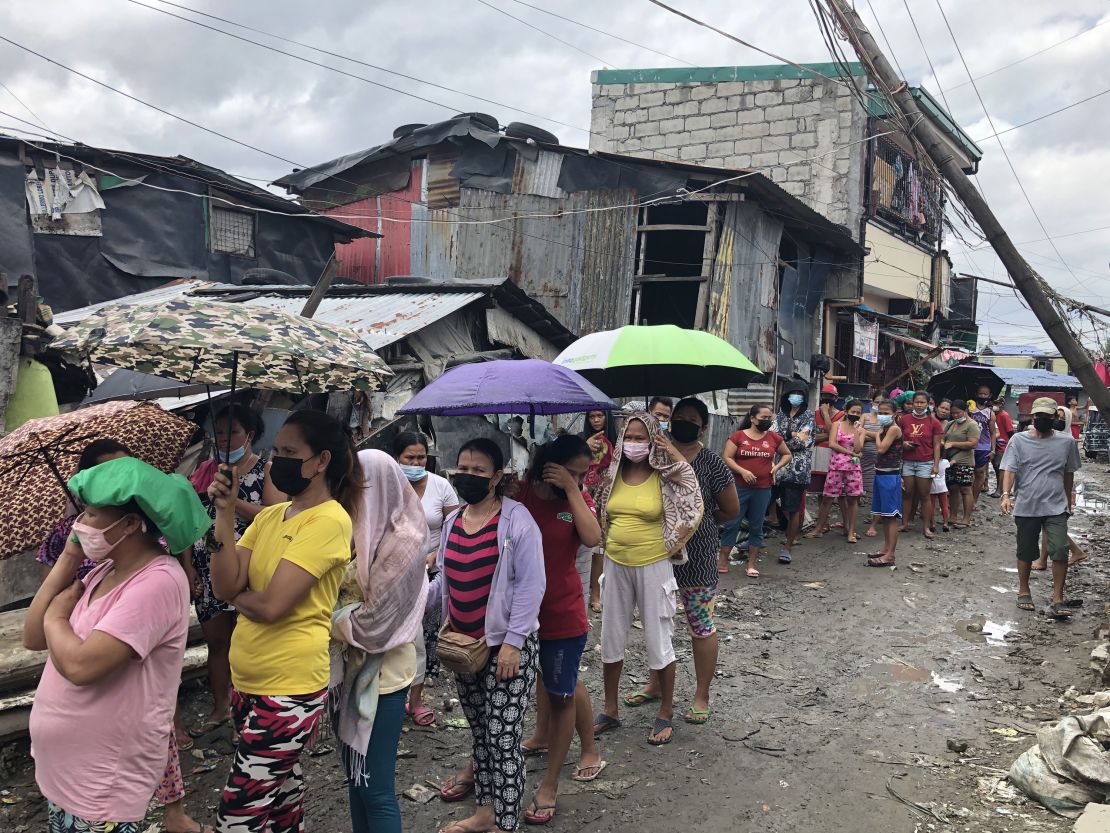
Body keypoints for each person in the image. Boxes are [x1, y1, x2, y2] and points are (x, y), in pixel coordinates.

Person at [25, 457, 210, 833]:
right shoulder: (104, 571)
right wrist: (69, 555)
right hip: (68, 775)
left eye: (91, 514)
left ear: (128, 525)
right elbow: (32, 638)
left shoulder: (156, 582)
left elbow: (80, 666)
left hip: (100, 784)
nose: (79, 524)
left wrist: (55, 619)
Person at [208, 410, 363, 832]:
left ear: (322, 461)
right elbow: (224, 585)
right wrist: (223, 512)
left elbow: (274, 605)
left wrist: (241, 595)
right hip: (248, 681)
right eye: (277, 452)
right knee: (280, 804)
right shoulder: (269, 517)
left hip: (288, 690)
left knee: (237, 817)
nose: (278, 462)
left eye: (290, 452)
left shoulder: (330, 520)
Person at [429, 438, 544, 833]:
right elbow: (444, 582)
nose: (468, 475)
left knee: (502, 737)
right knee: (480, 735)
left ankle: (506, 823)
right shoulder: (452, 521)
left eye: (478, 470)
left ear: (497, 477)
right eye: (463, 467)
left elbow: (532, 586)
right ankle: (484, 813)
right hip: (466, 648)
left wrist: (513, 642)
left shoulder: (516, 520)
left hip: (509, 648)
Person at [330, 450, 430, 833]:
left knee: (376, 789)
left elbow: (376, 624)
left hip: (383, 676)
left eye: (355, 483)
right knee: (356, 783)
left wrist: (325, 618)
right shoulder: (355, 528)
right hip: (348, 672)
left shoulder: (405, 540)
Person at [592, 413, 702, 747]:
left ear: (653, 440)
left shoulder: (665, 476)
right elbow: (593, 500)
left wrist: (672, 451)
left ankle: (665, 711)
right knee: (610, 638)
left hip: (654, 564)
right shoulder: (612, 474)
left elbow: (692, 491)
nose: (634, 444)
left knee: (659, 638)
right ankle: (610, 709)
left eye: (641, 438)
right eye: (629, 436)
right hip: (615, 563)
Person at [513, 436, 605, 824]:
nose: (578, 479)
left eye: (583, 474)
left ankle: (553, 781)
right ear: (548, 464)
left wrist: (572, 489)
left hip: (562, 612)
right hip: (517, 614)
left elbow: (593, 538)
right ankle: (542, 736)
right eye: (571, 471)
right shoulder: (518, 493)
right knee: (547, 680)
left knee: (563, 689)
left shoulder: (578, 500)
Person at [187, 405, 278, 740]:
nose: (224, 439)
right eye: (219, 433)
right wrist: (188, 568)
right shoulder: (204, 471)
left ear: (250, 435)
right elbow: (190, 521)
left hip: (245, 571)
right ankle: (220, 706)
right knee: (217, 642)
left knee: (248, 642)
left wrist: (232, 500)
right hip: (207, 568)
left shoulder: (265, 470)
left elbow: (273, 516)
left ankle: (251, 709)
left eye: (232, 432)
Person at [392, 430, 459, 727]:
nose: (416, 462)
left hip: (430, 573)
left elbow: (455, 526)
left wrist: (436, 555)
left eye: (421, 457)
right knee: (395, 639)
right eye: (410, 457)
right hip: (394, 572)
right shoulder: (389, 486)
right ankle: (391, 697)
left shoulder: (441, 486)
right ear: (397, 458)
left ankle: (415, 701)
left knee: (422, 639)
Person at [1000, 397, 1081, 618]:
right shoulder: (1018, 440)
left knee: (1060, 549)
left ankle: (1057, 598)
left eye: (1046, 416)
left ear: (1055, 418)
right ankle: (1024, 590)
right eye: (1038, 416)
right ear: (1032, 417)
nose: (1041, 420)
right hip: (1027, 504)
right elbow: (1009, 469)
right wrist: (1006, 495)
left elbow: (1068, 473)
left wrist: (1067, 499)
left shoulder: (1066, 443)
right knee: (1026, 550)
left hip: (1056, 505)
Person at [36, 439, 131, 580]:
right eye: (108, 474)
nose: (120, 480)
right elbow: (51, 593)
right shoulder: (66, 533)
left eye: (126, 470)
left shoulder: (154, 518)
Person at [720, 405, 791, 577]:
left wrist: (777, 467)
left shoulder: (774, 438)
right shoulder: (738, 436)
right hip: (739, 487)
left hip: (763, 488)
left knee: (757, 525)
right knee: (732, 523)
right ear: (752, 418)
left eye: (769, 418)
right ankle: (722, 561)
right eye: (763, 418)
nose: (766, 421)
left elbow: (787, 454)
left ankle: (751, 565)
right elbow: (727, 457)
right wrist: (742, 471)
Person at [774, 382, 814, 562]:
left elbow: (803, 442)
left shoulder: (808, 416)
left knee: (793, 509)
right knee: (767, 504)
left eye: (800, 393)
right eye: (793, 393)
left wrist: (785, 437)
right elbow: (773, 436)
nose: (796, 396)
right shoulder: (780, 415)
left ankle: (788, 546)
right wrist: (792, 434)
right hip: (777, 468)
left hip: (797, 470)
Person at [814, 400, 864, 544]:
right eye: (853, 412)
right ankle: (819, 528)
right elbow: (832, 444)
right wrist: (851, 453)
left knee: (853, 500)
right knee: (827, 498)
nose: (855, 415)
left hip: (853, 469)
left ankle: (850, 531)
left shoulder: (860, 429)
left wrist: (856, 431)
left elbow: (858, 449)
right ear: (846, 411)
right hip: (836, 466)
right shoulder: (837, 425)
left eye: (858, 413)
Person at [581, 410, 616, 613]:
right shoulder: (579, 440)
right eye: (592, 416)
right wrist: (584, 448)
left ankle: (595, 594)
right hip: (583, 497)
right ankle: (582, 590)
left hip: (606, 498)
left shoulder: (616, 440)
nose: (595, 420)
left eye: (600, 416)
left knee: (600, 548)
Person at [898, 391, 943, 540]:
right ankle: (905, 523)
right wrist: (903, 444)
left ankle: (926, 527)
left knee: (924, 496)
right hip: (908, 461)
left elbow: (937, 445)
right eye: (916, 402)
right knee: (907, 494)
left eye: (922, 402)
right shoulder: (904, 419)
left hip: (926, 462)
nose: (919, 405)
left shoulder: (934, 422)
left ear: (928, 404)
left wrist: (936, 465)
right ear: (912, 403)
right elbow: (898, 439)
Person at [865, 399, 903, 566]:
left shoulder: (893, 429)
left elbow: (881, 449)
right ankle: (886, 549)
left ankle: (890, 554)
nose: (882, 416)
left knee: (891, 517)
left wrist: (877, 435)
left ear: (895, 414)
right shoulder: (885, 429)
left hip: (890, 476)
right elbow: (875, 436)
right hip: (881, 474)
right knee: (885, 517)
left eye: (886, 413)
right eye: (880, 412)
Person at [806, 383, 845, 536]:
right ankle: (824, 523)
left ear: (836, 398)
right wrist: (827, 436)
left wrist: (826, 415)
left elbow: (834, 434)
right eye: (824, 396)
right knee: (819, 491)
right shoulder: (813, 414)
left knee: (832, 493)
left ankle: (839, 524)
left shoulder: (840, 415)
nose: (827, 399)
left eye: (830, 397)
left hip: (832, 456)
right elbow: (810, 436)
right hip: (817, 456)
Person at [942, 400, 981, 528]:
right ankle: (952, 516)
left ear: (965, 411)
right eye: (953, 413)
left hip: (965, 461)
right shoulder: (950, 424)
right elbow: (943, 437)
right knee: (953, 488)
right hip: (950, 460)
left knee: (965, 489)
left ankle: (966, 519)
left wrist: (953, 444)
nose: (955, 415)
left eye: (958, 413)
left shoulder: (972, 425)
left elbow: (973, 443)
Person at [970, 385, 999, 504]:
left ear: (989, 395)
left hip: (983, 447)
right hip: (969, 445)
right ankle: (967, 499)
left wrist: (992, 450)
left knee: (980, 473)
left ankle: (974, 500)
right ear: (976, 394)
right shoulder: (969, 409)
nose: (982, 396)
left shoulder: (990, 413)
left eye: (985, 394)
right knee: (968, 474)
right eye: (980, 394)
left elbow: (993, 433)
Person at [861, 394, 881, 539]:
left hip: (879, 460)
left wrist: (866, 434)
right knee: (856, 491)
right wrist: (875, 435)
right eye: (876, 401)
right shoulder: (864, 416)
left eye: (882, 402)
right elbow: (857, 432)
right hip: (861, 458)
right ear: (872, 402)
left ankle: (874, 522)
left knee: (876, 492)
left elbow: (886, 436)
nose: (879, 405)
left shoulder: (887, 419)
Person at [989, 400, 1016, 498]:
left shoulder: (1004, 415)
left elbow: (1010, 431)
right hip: (994, 443)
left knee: (1000, 467)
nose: (995, 406)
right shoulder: (991, 414)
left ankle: (1000, 490)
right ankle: (999, 488)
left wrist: (1010, 445)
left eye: (997, 404)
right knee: (996, 467)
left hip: (1002, 444)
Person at [930, 457, 952, 533]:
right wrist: (954, 461)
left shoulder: (930, 462)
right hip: (942, 487)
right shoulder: (945, 462)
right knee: (944, 506)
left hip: (932, 487)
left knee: (931, 506)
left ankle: (932, 524)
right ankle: (945, 523)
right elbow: (950, 464)